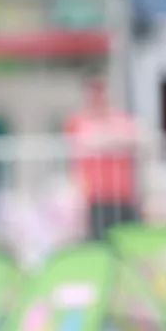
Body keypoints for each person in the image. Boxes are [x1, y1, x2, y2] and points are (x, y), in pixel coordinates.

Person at [65, 77, 142, 241]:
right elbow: (84, 141)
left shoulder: (122, 118)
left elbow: (136, 138)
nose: (98, 98)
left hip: (124, 195)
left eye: (101, 92)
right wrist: (114, 141)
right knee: (99, 242)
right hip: (96, 196)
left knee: (131, 241)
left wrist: (105, 141)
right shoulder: (79, 121)